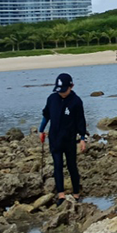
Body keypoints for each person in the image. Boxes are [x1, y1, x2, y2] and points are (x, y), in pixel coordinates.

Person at [39, 73, 88, 205]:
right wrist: (41, 130)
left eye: (64, 90)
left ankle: (76, 193)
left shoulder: (76, 101)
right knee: (57, 166)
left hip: (69, 139)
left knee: (72, 166)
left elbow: (80, 121)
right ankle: (61, 195)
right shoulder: (52, 99)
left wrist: (82, 138)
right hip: (54, 138)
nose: (61, 93)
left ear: (71, 86)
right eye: (59, 90)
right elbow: (46, 116)